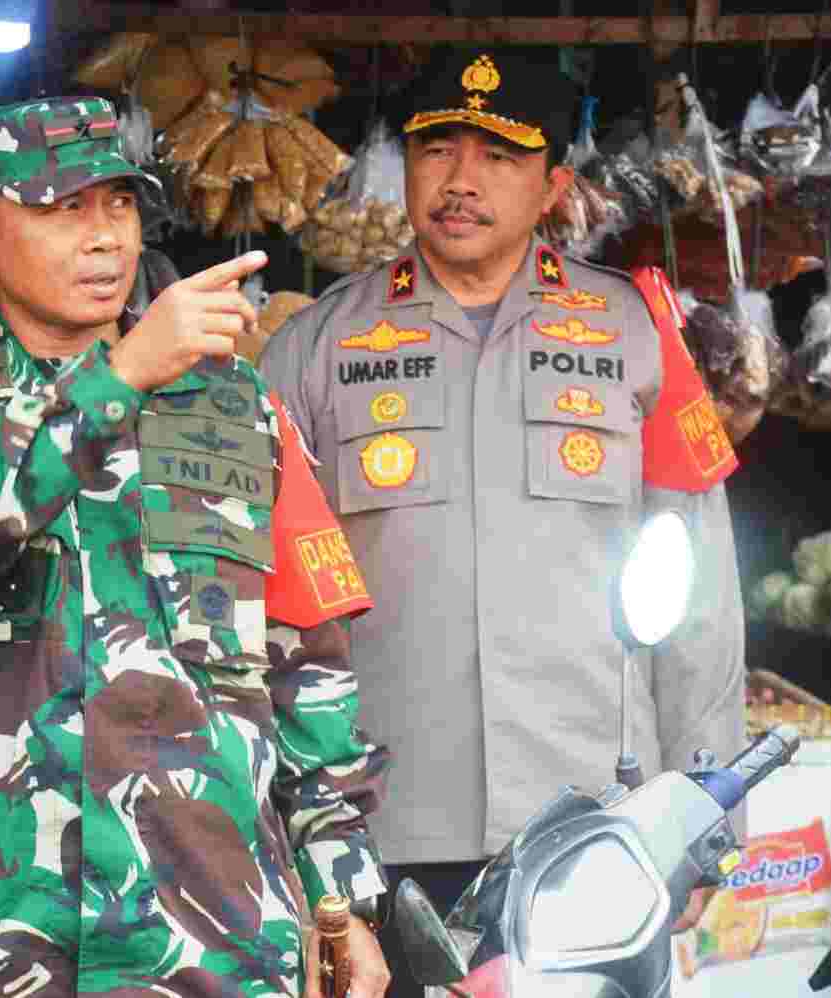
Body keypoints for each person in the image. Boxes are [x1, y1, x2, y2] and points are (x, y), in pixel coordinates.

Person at [0, 96, 392, 997]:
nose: (103, 238)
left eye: (119, 206)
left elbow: (305, 662)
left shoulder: (236, 405)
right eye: (64, 210)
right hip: (8, 925)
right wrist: (120, 377)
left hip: (215, 923)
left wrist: (345, 903)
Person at [261, 49, 747, 995]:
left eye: (499, 155)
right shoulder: (313, 347)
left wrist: (704, 803)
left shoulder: (632, 336)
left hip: (594, 816)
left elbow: (698, 584)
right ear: (404, 167)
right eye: (437, 149)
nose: (461, 180)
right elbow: (264, 603)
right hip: (372, 826)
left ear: (554, 183)